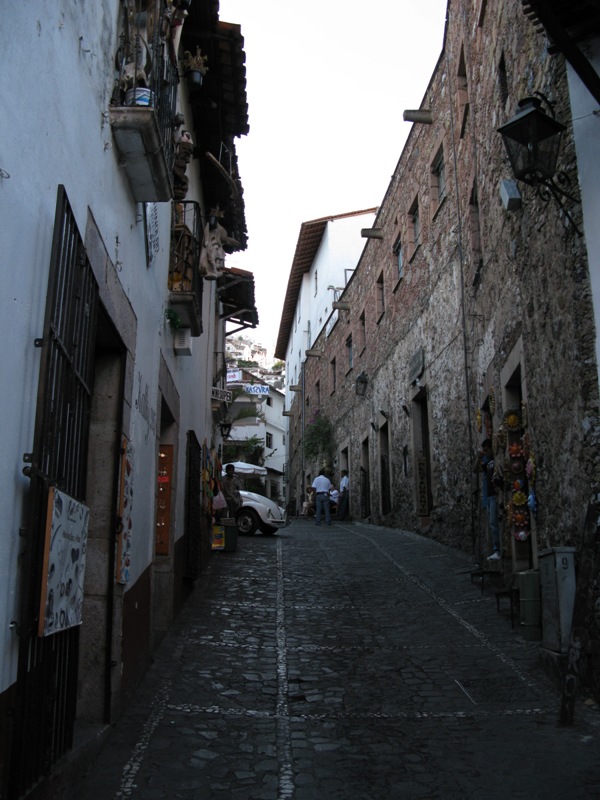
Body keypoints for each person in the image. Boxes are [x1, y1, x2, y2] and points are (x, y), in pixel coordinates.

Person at [476, 439, 502, 561]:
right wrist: (479, 457)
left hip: (495, 495)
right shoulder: (488, 463)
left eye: (487, 450)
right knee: (492, 523)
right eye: (484, 451)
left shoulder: (496, 460)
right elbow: (475, 469)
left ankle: (498, 549)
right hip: (489, 496)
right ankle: (496, 549)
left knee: (494, 523)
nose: (485, 453)